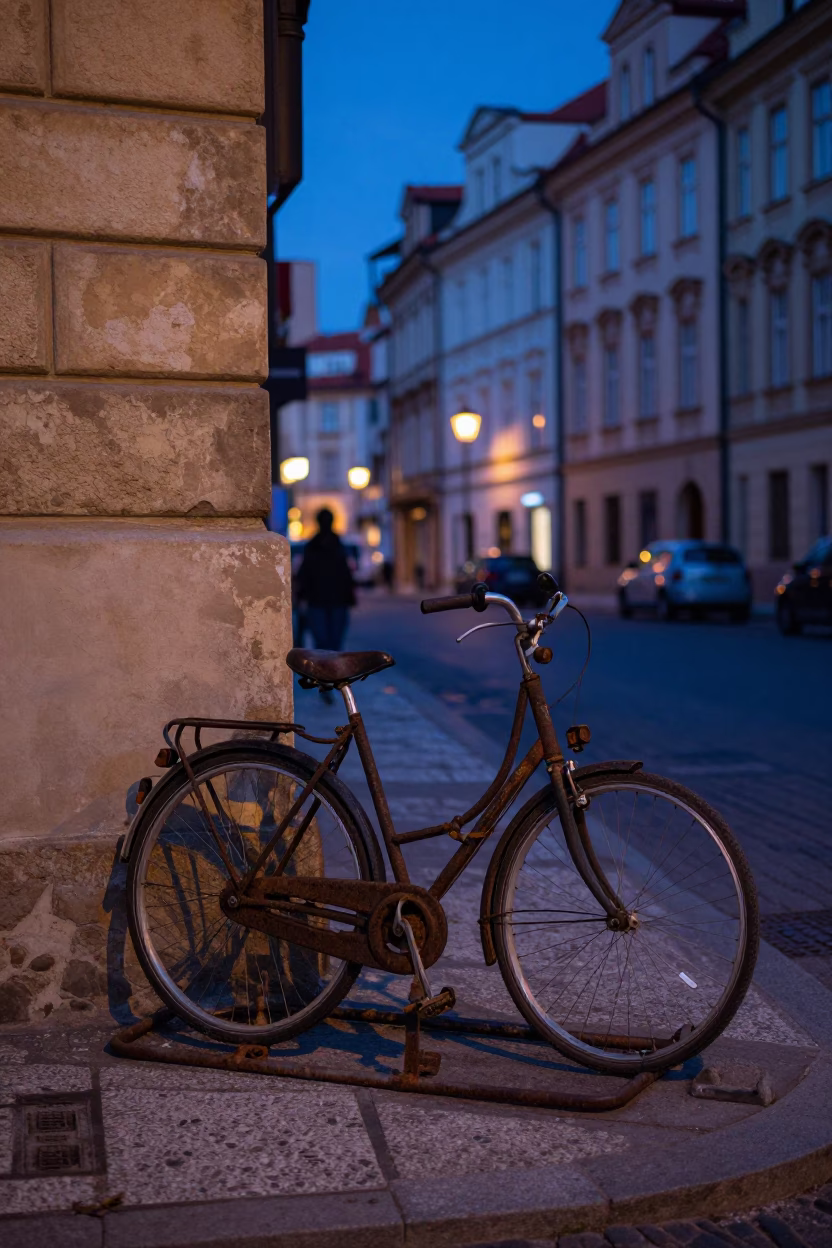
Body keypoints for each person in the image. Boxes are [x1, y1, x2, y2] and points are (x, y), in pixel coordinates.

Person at [295, 508, 356, 661]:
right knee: (332, 643)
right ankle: (332, 673)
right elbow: (345, 574)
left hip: (320, 600)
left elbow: (304, 574)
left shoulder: (314, 546)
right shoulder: (338, 545)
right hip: (331, 600)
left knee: (324, 643)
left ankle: (327, 675)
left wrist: (301, 596)